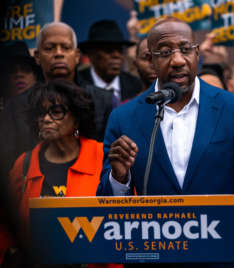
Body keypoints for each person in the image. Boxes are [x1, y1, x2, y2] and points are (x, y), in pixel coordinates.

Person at [97, 16, 234, 268]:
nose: (178, 60)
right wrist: (119, 177)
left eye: (185, 49)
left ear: (197, 52)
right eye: (166, 52)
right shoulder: (123, 118)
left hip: (222, 257)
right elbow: (108, 204)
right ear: (150, 60)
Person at [0, 80, 120, 268]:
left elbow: (123, 219)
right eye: (41, 113)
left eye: (56, 112)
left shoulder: (102, 157)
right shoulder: (24, 163)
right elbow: (6, 229)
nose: (46, 119)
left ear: (77, 117)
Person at [0, 22, 113, 173]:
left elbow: (111, 157)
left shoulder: (103, 100)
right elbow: (7, 162)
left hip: (91, 188)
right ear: (37, 57)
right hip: (34, 187)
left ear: (77, 55)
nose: (58, 53)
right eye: (49, 48)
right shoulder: (15, 107)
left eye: (65, 47)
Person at [78, 19, 142, 104]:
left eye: (120, 50)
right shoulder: (77, 85)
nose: (116, 55)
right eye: (108, 50)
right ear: (91, 55)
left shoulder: (136, 85)